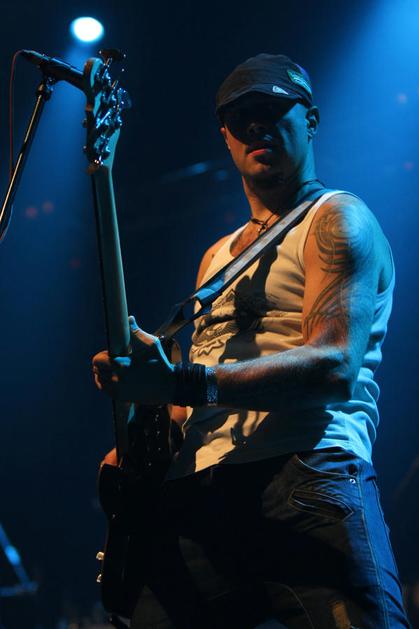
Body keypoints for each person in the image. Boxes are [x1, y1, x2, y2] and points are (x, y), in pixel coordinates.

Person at [93, 54, 410, 628]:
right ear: (225, 135)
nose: (257, 125)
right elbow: (189, 395)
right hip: (198, 493)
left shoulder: (336, 218)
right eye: (241, 118)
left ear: (310, 120)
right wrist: (147, 416)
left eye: (271, 109)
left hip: (306, 474)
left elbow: (334, 366)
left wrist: (182, 382)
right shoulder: (214, 257)